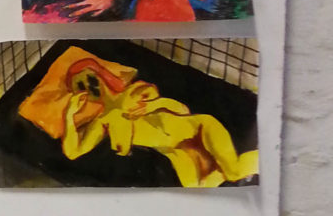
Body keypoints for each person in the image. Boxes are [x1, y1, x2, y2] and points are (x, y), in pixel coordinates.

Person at [60, 56, 258, 187]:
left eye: (89, 78)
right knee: (198, 191)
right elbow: (72, 152)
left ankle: (270, 158)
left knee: (233, 172)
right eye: (80, 87)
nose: (88, 86)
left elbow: (182, 110)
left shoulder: (135, 91)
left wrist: (156, 104)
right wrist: (69, 115)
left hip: (198, 128)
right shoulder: (103, 123)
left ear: (99, 73)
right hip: (177, 152)